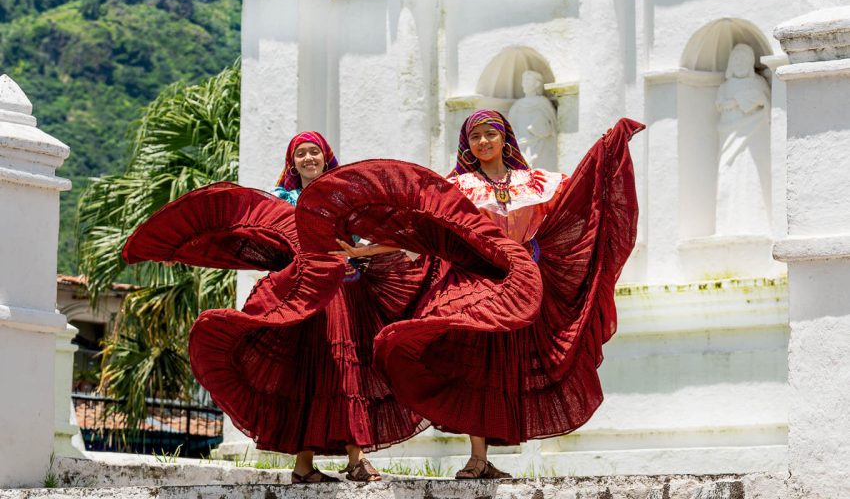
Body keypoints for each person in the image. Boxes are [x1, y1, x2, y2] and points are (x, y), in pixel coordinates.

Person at [290, 111, 642, 480]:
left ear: (505, 138)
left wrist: (608, 148)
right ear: (467, 145)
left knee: (509, 367)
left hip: (524, 283)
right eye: (475, 137)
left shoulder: (535, 182)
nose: (484, 142)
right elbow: (423, 229)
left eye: (490, 134)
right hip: (477, 283)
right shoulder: (457, 187)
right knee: (476, 364)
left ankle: (485, 458)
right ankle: (476, 456)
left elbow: (579, 198)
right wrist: (366, 251)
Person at [122, 131, 429, 484]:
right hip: (305, 302)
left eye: (315, 152)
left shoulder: (346, 196)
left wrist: (362, 253)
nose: (309, 158)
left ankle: (356, 460)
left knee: (351, 373)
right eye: (301, 154)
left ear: (326, 156)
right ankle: (303, 467)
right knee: (308, 376)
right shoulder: (282, 199)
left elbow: (383, 232)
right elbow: (253, 237)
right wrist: (183, 246)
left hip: (346, 294)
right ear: (292, 162)